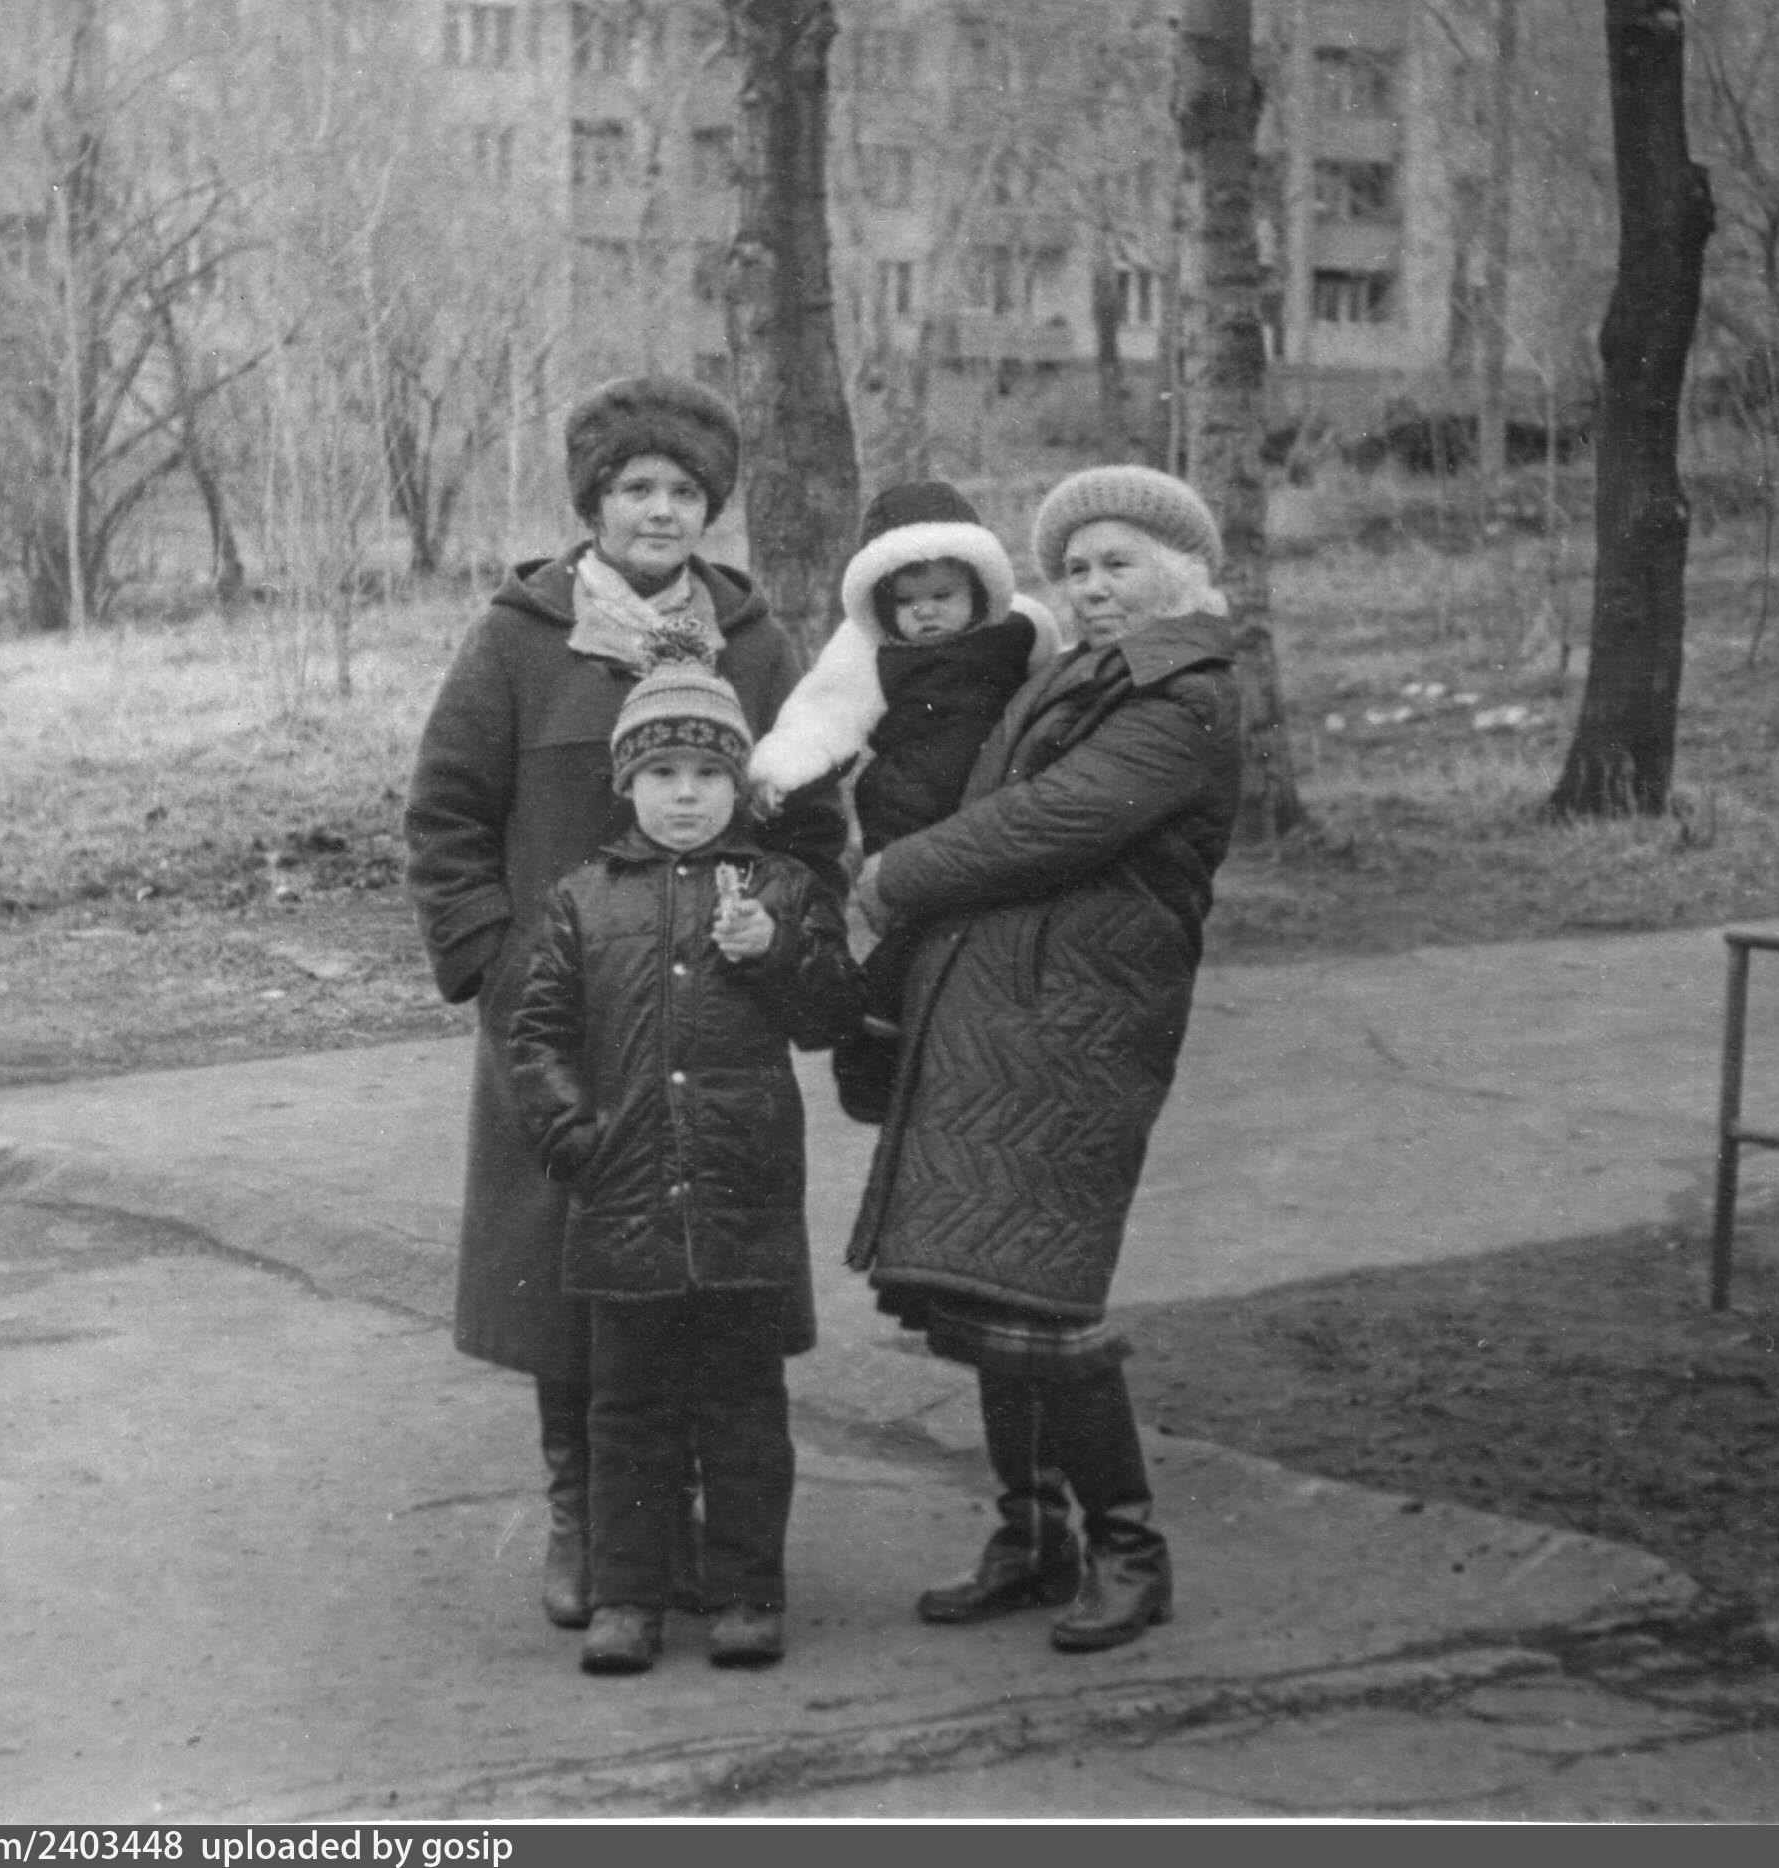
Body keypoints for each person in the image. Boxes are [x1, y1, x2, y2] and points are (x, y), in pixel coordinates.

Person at [402, 375, 844, 1636]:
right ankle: (585, 1515)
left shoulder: (754, 644)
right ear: (593, 503)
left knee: (705, 1274)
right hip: (565, 1027)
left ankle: (695, 1524)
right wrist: (500, 972)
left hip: (714, 1028)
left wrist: (781, 942)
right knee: (568, 1272)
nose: (660, 510)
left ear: (712, 507)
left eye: (685, 490)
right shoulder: (519, 640)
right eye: (636, 487)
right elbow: (445, 816)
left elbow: (812, 826)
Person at [843, 464, 1243, 1654]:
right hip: (997, 1012)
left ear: (1180, 573)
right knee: (986, 1281)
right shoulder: (1075, 676)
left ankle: (1130, 1549)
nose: (1093, 586)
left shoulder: (1185, 696)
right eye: (1073, 568)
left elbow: (1054, 819)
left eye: (1119, 563)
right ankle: (1032, 1537)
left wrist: (894, 872)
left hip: (1080, 1023)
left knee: (1048, 1291)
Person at [506, 640, 863, 1672]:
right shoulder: (583, 897)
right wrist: (574, 1136)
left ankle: (748, 1591)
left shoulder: (779, 887)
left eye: (709, 772)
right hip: (621, 1200)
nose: (685, 794)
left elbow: (831, 1013)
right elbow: (537, 1036)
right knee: (627, 1411)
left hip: (740, 1194)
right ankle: (629, 1597)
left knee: (745, 1407)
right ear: (627, 782)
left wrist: (773, 951)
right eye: (662, 772)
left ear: (737, 783)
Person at [745, 480, 1063, 1123]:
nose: (925, 614)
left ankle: (985, 1061)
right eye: (908, 602)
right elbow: (824, 711)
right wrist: (780, 769)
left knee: (986, 932)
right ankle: (872, 1047)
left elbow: (1055, 686)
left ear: (981, 586)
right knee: (913, 930)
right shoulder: (870, 648)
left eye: (943, 596)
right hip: (907, 810)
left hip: (989, 803)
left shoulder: (1021, 626)